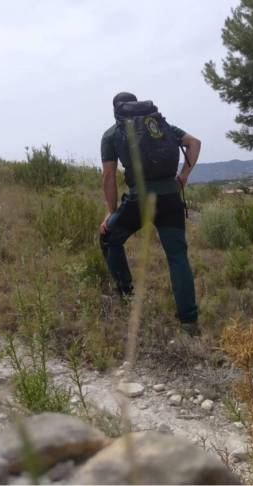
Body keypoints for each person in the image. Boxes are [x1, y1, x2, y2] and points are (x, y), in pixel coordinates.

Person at [99, 92, 202, 336]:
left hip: (140, 200)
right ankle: (189, 321)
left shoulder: (112, 134)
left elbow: (108, 176)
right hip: (170, 197)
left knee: (109, 237)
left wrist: (110, 213)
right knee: (177, 256)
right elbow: (194, 143)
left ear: (117, 109)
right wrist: (183, 176)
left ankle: (127, 296)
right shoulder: (159, 124)